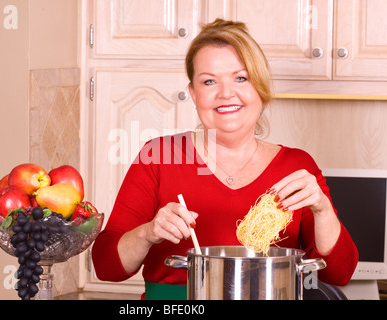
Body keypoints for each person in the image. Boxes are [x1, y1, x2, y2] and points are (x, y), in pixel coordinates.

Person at [92, 19, 358, 299]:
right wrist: (147, 233)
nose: (226, 93)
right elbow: (106, 267)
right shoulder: (158, 157)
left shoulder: (296, 166)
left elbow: (338, 274)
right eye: (209, 81)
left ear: (260, 87)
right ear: (193, 94)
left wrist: (323, 210)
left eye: (241, 78)